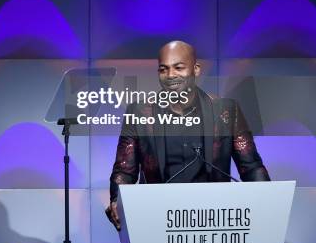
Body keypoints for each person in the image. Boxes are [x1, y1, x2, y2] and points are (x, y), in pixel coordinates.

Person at [106, 40, 270, 231]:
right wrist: (117, 200)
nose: (170, 75)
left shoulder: (226, 111)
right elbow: (124, 170)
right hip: (157, 221)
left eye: (178, 67)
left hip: (214, 222)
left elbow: (251, 167)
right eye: (163, 69)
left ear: (196, 69)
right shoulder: (140, 112)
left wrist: (268, 202)